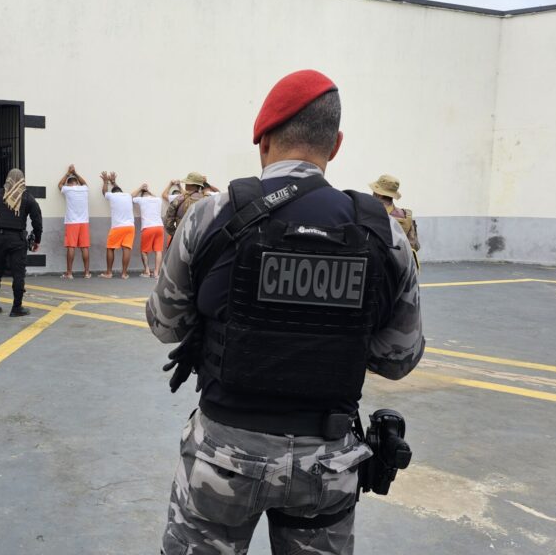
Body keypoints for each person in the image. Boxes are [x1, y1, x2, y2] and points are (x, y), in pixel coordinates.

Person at [147, 69, 424, 554]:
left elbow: (166, 324)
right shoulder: (384, 234)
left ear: (263, 140)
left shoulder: (210, 216)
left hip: (224, 459)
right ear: (335, 145)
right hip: (327, 463)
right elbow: (398, 359)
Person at [0, 169, 42, 317]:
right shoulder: (27, 197)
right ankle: (16, 308)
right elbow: (37, 220)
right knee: (18, 274)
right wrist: (37, 240)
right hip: (18, 240)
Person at [369, 174, 421, 264]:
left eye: (374, 190)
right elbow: (414, 246)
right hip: (400, 266)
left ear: (379, 194)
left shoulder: (370, 214)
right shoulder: (406, 216)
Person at [58, 165, 92, 279]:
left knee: (71, 246)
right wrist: (75, 173)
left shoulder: (67, 189)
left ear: (68, 184)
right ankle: (87, 273)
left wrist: (68, 173)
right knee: (84, 247)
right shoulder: (84, 189)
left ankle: (69, 273)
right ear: (77, 182)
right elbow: (84, 183)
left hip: (71, 222)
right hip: (84, 222)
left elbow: (59, 185)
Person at [100, 171, 135, 279]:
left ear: (113, 192)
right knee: (126, 249)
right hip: (130, 227)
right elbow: (119, 190)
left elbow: (104, 192)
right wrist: (114, 182)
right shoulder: (128, 195)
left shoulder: (112, 196)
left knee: (110, 248)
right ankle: (124, 274)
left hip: (117, 227)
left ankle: (109, 273)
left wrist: (105, 182)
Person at [131, 183, 164, 277]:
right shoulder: (158, 200)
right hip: (159, 227)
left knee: (144, 251)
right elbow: (154, 196)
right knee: (158, 250)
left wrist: (140, 188)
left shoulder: (141, 199)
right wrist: (148, 191)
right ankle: (156, 272)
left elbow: (130, 197)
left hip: (148, 227)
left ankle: (147, 271)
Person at [163, 172, 208, 239]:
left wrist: (176, 235)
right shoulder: (207, 199)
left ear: (190, 184)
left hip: (183, 237)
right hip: (201, 238)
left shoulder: (179, 199)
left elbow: (168, 223)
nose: (185, 184)